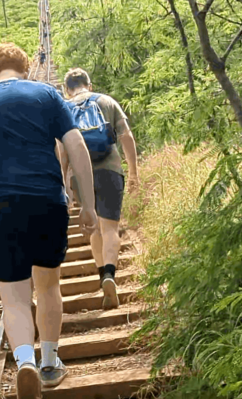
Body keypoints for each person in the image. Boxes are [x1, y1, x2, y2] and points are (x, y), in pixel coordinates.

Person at [0, 43, 99, 399]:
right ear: (26, 68)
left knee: (14, 298)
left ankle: (25, 363)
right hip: (45, 201)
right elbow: (77, 146)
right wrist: (87, 203)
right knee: (48, 284)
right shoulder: (47, 94)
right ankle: (50, 363)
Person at [60, 68, 138, 311]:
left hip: (80, 177)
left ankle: (100, 273)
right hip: (110, 169)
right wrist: (134, 172)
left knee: (94, 228)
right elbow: (126, 136)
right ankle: (110, 276)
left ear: (67, 89)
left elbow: (62, 150)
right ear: (89, 85)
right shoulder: (106, 101)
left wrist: (64, 184)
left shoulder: (64, 108)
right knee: (111, 227)